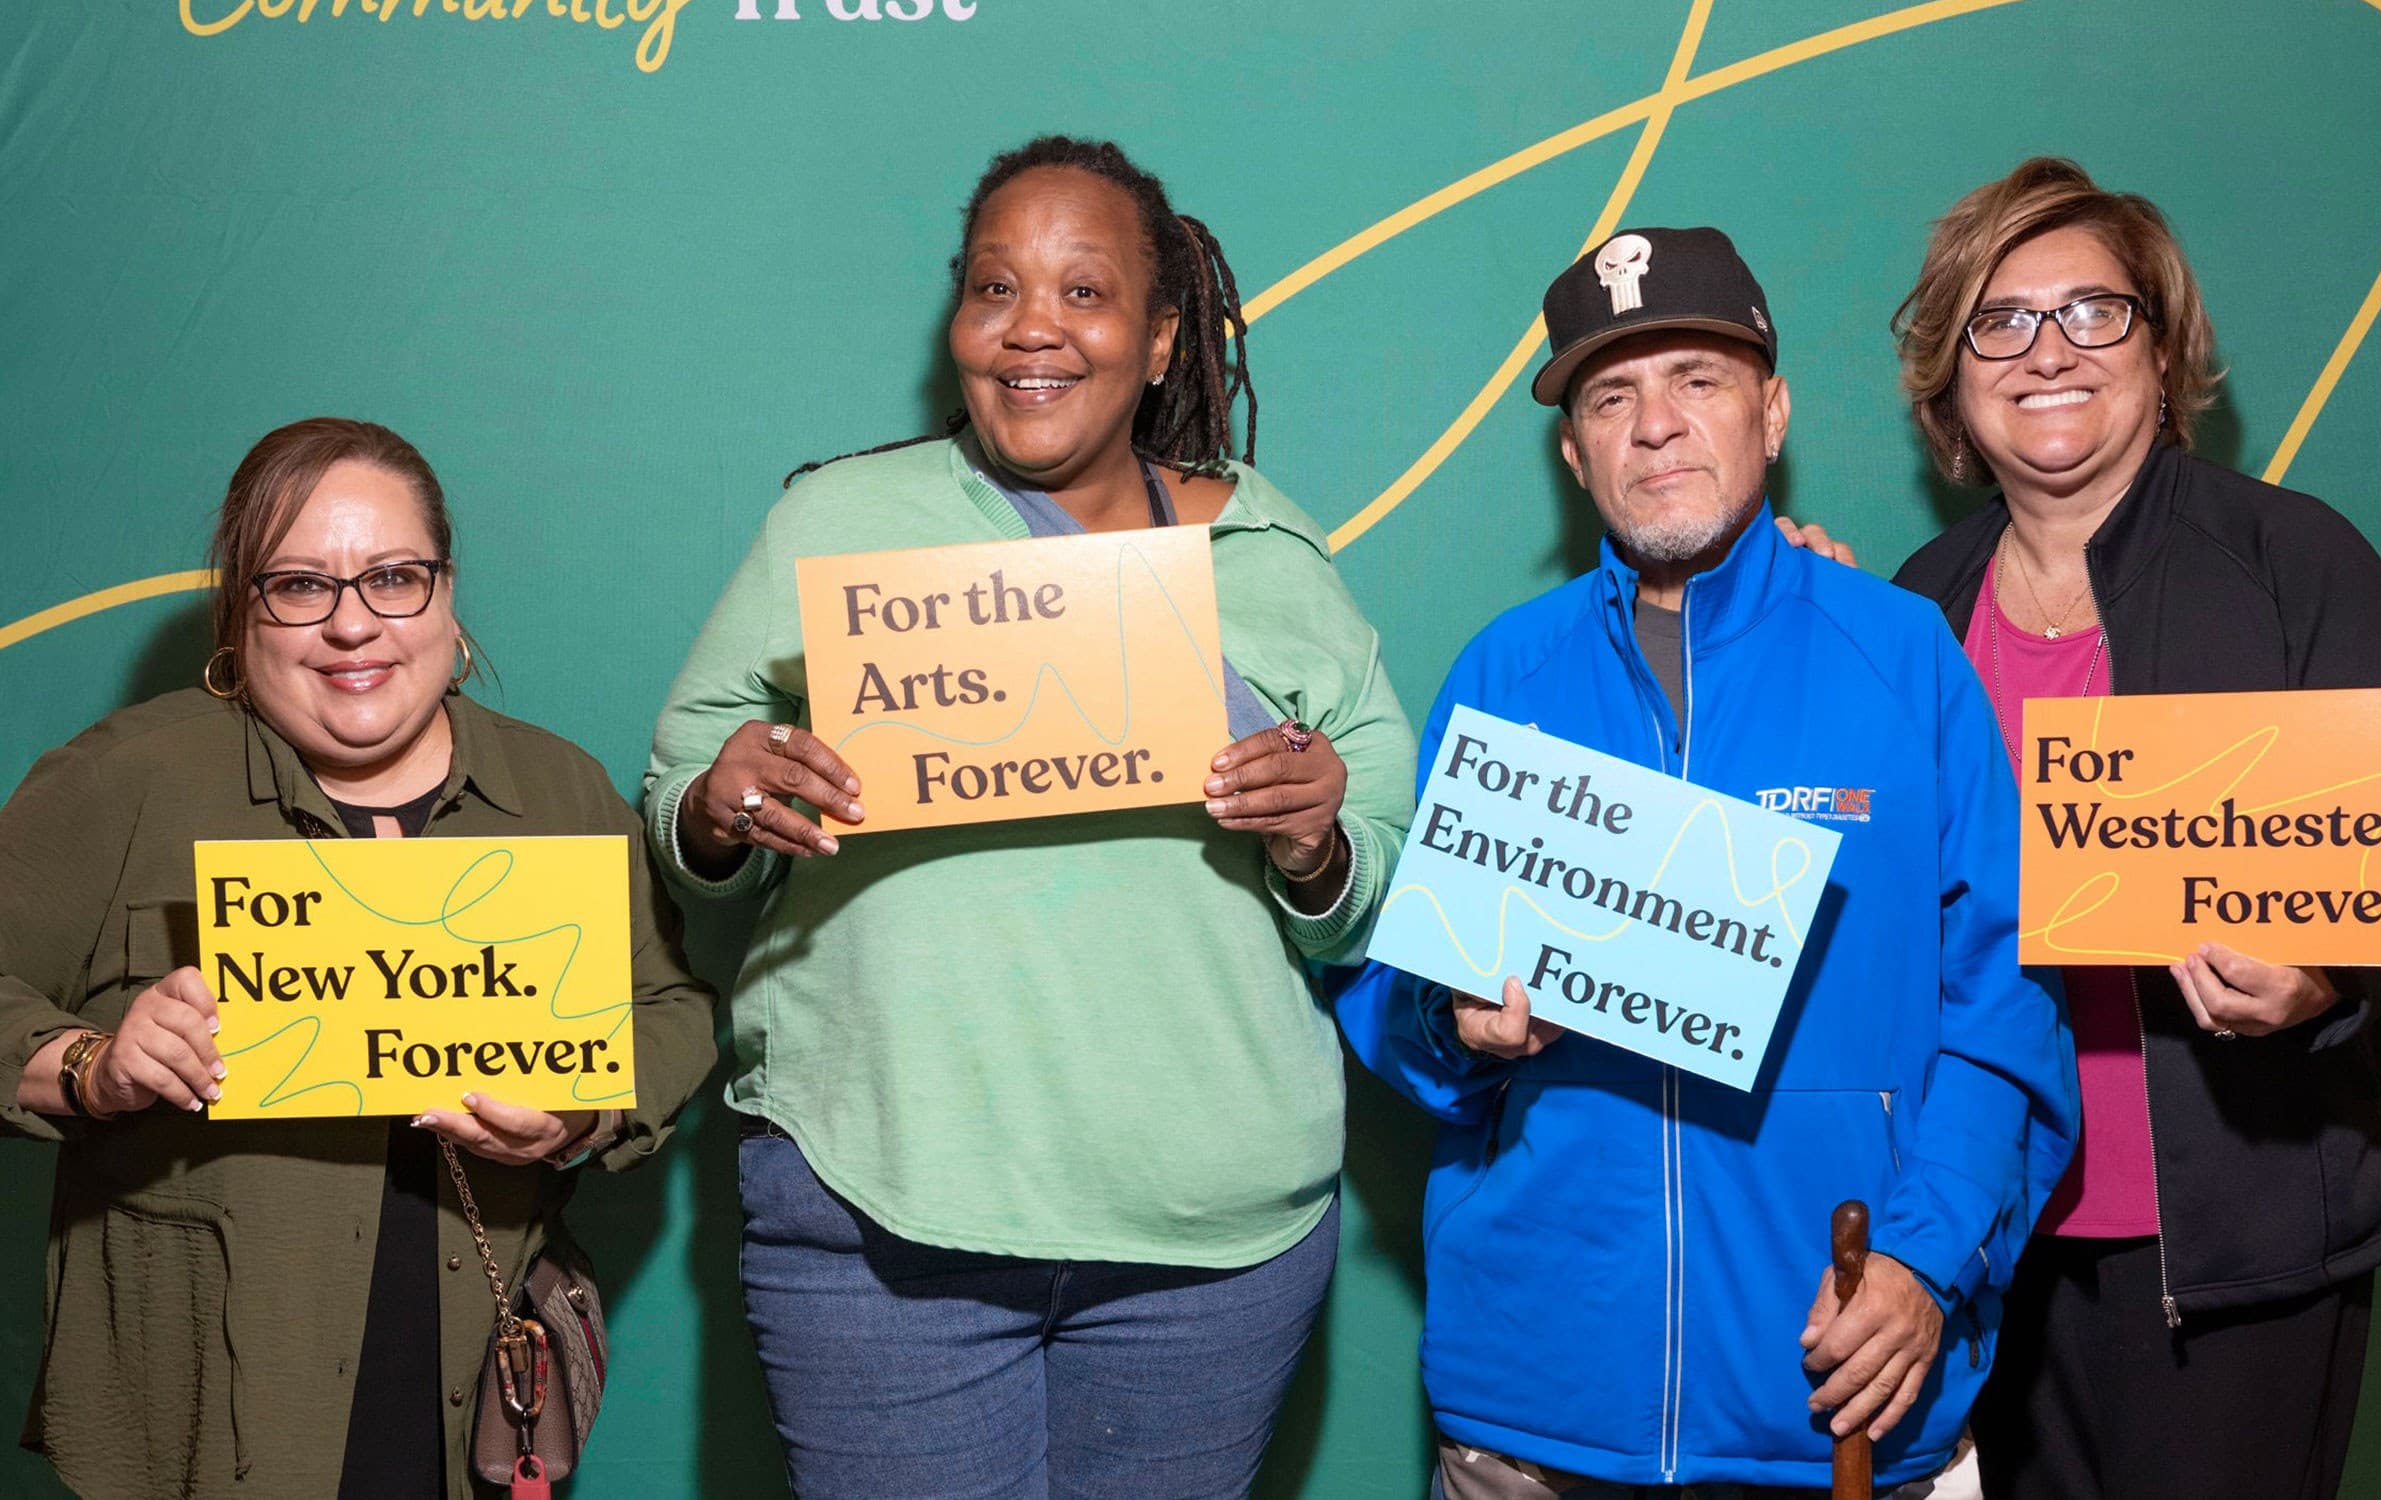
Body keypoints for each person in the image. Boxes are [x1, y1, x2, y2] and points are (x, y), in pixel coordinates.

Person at [642, 134, 1417, 1499]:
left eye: (1085, 292)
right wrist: (720, 805)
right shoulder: (838, 521)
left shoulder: (1275, 558)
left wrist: (1319, 841)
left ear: (1163, 337)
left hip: (1208, 1254)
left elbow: (1389, 870)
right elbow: (687, 800)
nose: (1033, 330)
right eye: (995, 290)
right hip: (882, 1217)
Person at [1337, 227, 2076, 1497]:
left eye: (1699, 378)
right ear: (1572, 453)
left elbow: (2008, 992)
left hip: (1844, 1391)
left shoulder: (1900, 656)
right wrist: (1456, 1025)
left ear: (1772, 412)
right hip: (1536, 1416)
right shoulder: (1502, 674)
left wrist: (1925, 1259)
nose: (1657, 424)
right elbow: (1400, 1015)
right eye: (1611, 396)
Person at [1890, 157, 2381, 1500]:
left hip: (2233, 1233)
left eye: (2094, 311)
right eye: (2000, 319)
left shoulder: (2290, 555)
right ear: (1952, 372)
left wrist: (2324, 967)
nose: (2048, 351)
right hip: (2000, 1229)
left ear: (2163, 354)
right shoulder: (1916, 605)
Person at [0, 417, 716, 1499]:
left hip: (466, 1395)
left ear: (446, 590)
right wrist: (91, 1063)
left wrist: (579, 1107)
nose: (352, 625)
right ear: (241, 608)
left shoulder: (557, 791)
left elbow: (669, 1001)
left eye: (393, 576)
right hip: (205, 1409)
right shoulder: (126, 777)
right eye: (298, 584)